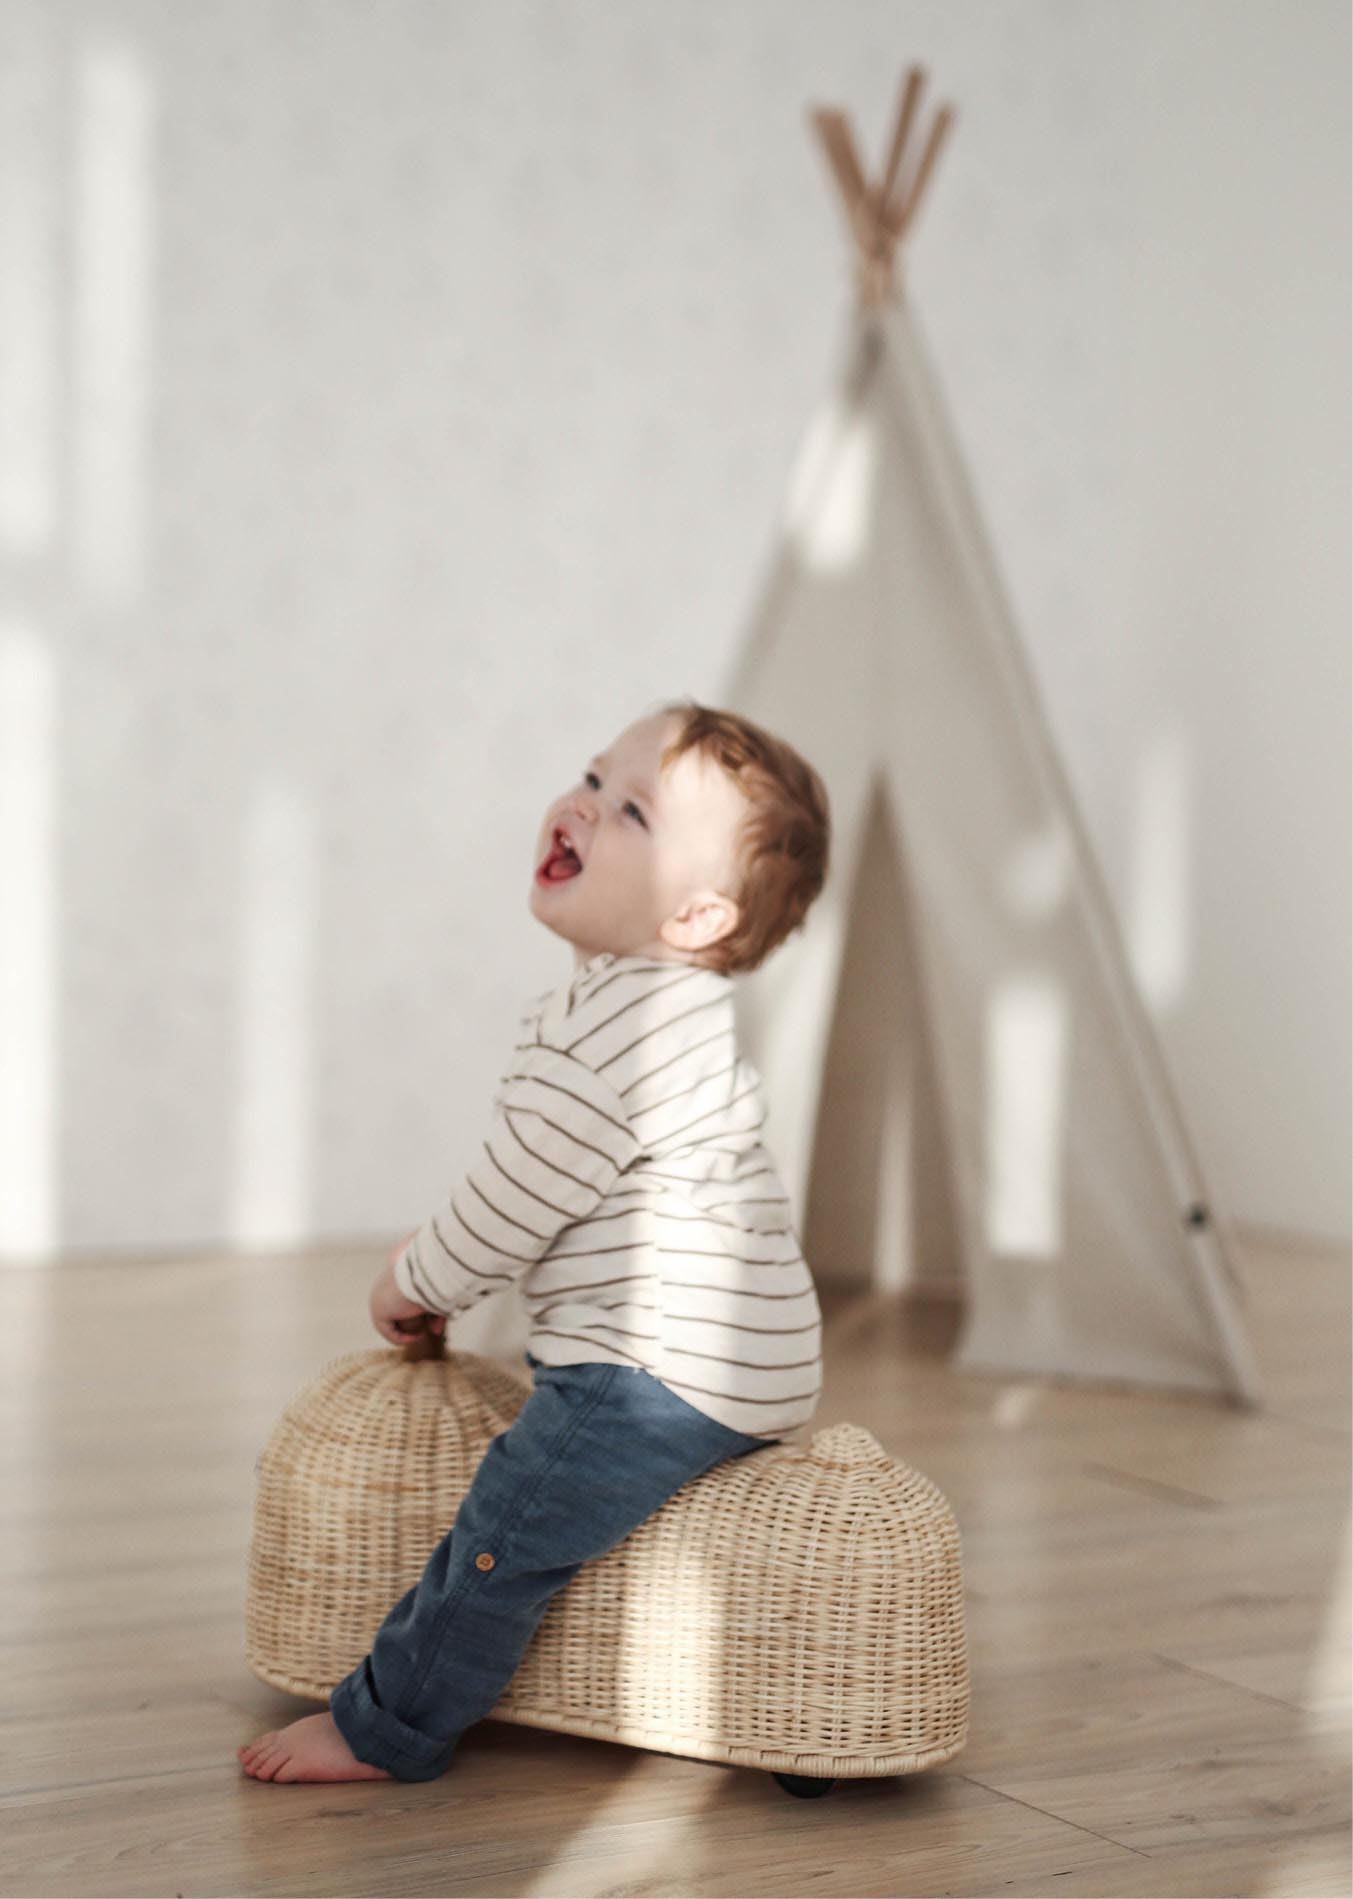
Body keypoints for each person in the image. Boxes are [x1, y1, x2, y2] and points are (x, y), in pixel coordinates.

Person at [238, 697, 831, 1783]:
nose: (584, 807)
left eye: (633, 812)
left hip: (655, 1370)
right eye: (593, 779)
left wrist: (416, 1276)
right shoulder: (666, 1011)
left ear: (696, 918)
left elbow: (514, 1197)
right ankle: (787, 1705)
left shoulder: (617, 1032)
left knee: (503, 1531)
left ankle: (391, 1727)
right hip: (750, 1361)